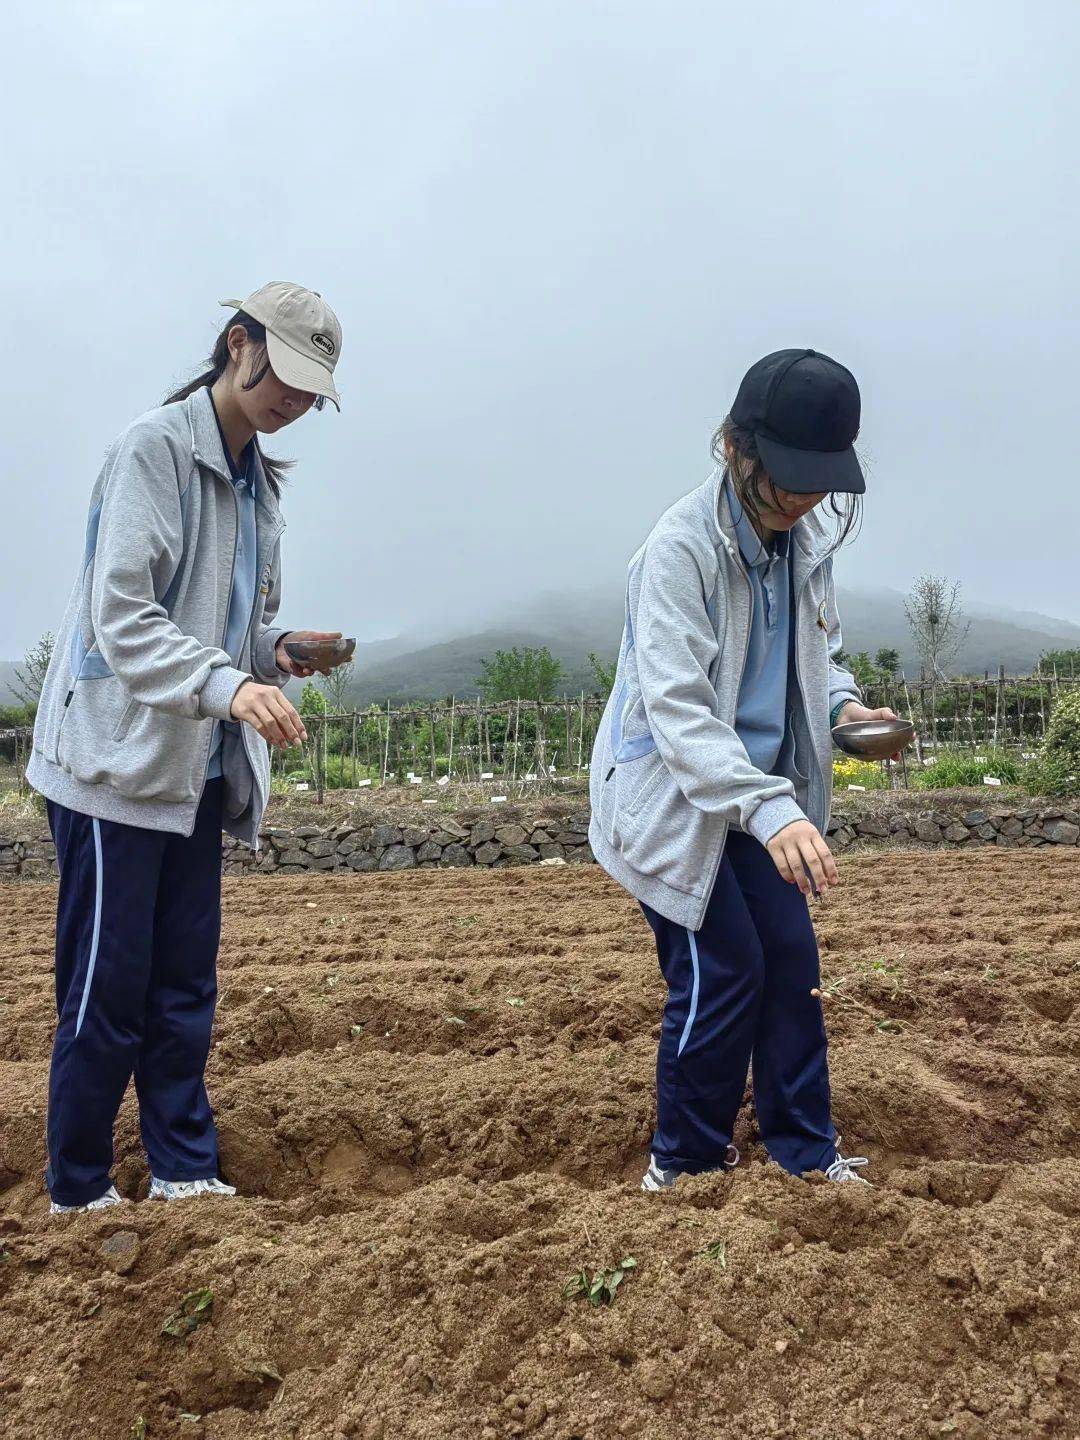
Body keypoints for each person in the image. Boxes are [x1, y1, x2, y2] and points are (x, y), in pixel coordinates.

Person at [28, 282, 346, 1213]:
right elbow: (123, 620)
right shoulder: (154, 453)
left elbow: (222, 634)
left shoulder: (257, 486)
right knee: (106, 988)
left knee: (182, 985)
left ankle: (182, 1166)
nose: (293, 398)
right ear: (237, 344)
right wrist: (232, 686)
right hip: (113, 767)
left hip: (193, 770)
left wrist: (274, 657)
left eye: (310, 389)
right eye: (284, 372)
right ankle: (78, 1185)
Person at [589, 348, 897, 1190]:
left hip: (758, 798)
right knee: (724, 969)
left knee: (791, 962)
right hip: (675, 798)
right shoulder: (678, 553)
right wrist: (772, 811)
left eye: (819, 481)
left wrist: (842, 709)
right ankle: (683, 1163)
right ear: (737, 447)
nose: (803, 498)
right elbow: (681, 715)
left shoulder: (805, 545)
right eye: (789, 477)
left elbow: (818, 654)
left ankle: (805, 1151)